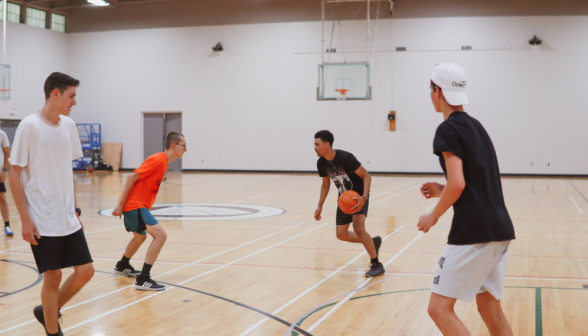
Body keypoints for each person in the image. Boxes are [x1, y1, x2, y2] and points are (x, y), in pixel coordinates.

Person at [418, 63, 516, 336]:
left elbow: (459, 183)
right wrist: (442, 188)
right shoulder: (476, 126)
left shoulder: (447, 130)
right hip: (500, 229)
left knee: (438, 309)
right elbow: (474, 179)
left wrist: (432, 215)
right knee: (489, 308)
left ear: (437, 91)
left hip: (473, 232)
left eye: (430, 90)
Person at [9, 72, 94, 336]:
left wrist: (75, 209)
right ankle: (52, 330)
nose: (74, 103)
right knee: (53, 276)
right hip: (42, 218)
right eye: (71, 96)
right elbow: (14, 173)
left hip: (66, 216)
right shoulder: (29, 126)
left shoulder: (68, 126)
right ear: (55, 94)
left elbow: (66, 169)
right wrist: (24, 219)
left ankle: (46, 310)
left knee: (86, 272)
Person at [111, 132, 186, 290]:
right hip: (133, 205)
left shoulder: (164, 162)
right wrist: (120, 205)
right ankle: (143, 278)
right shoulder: (158, 160)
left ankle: (122, 265)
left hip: (136, 205)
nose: (186, 149)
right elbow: (131, 178)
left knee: (140, 237)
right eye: (184, 145)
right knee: (161, 236)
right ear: (174, 145)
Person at [313, 130, 384, 277]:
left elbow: (366, 176)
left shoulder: (346, 158)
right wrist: (320, 205)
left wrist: (364, 197)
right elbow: (325, 184)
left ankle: (376, 263)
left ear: (327, 144)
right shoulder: (321, 163)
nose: (314, 147)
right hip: (344, 198)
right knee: (341, 234)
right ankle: (371, 242)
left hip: (358, 195)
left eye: (317, 144)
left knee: (358, 228)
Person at [0, 129, 11, 236]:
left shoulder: (2, 134)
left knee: (2, 198)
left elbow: (7, 152)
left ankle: (7, 225)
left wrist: (4, 170)